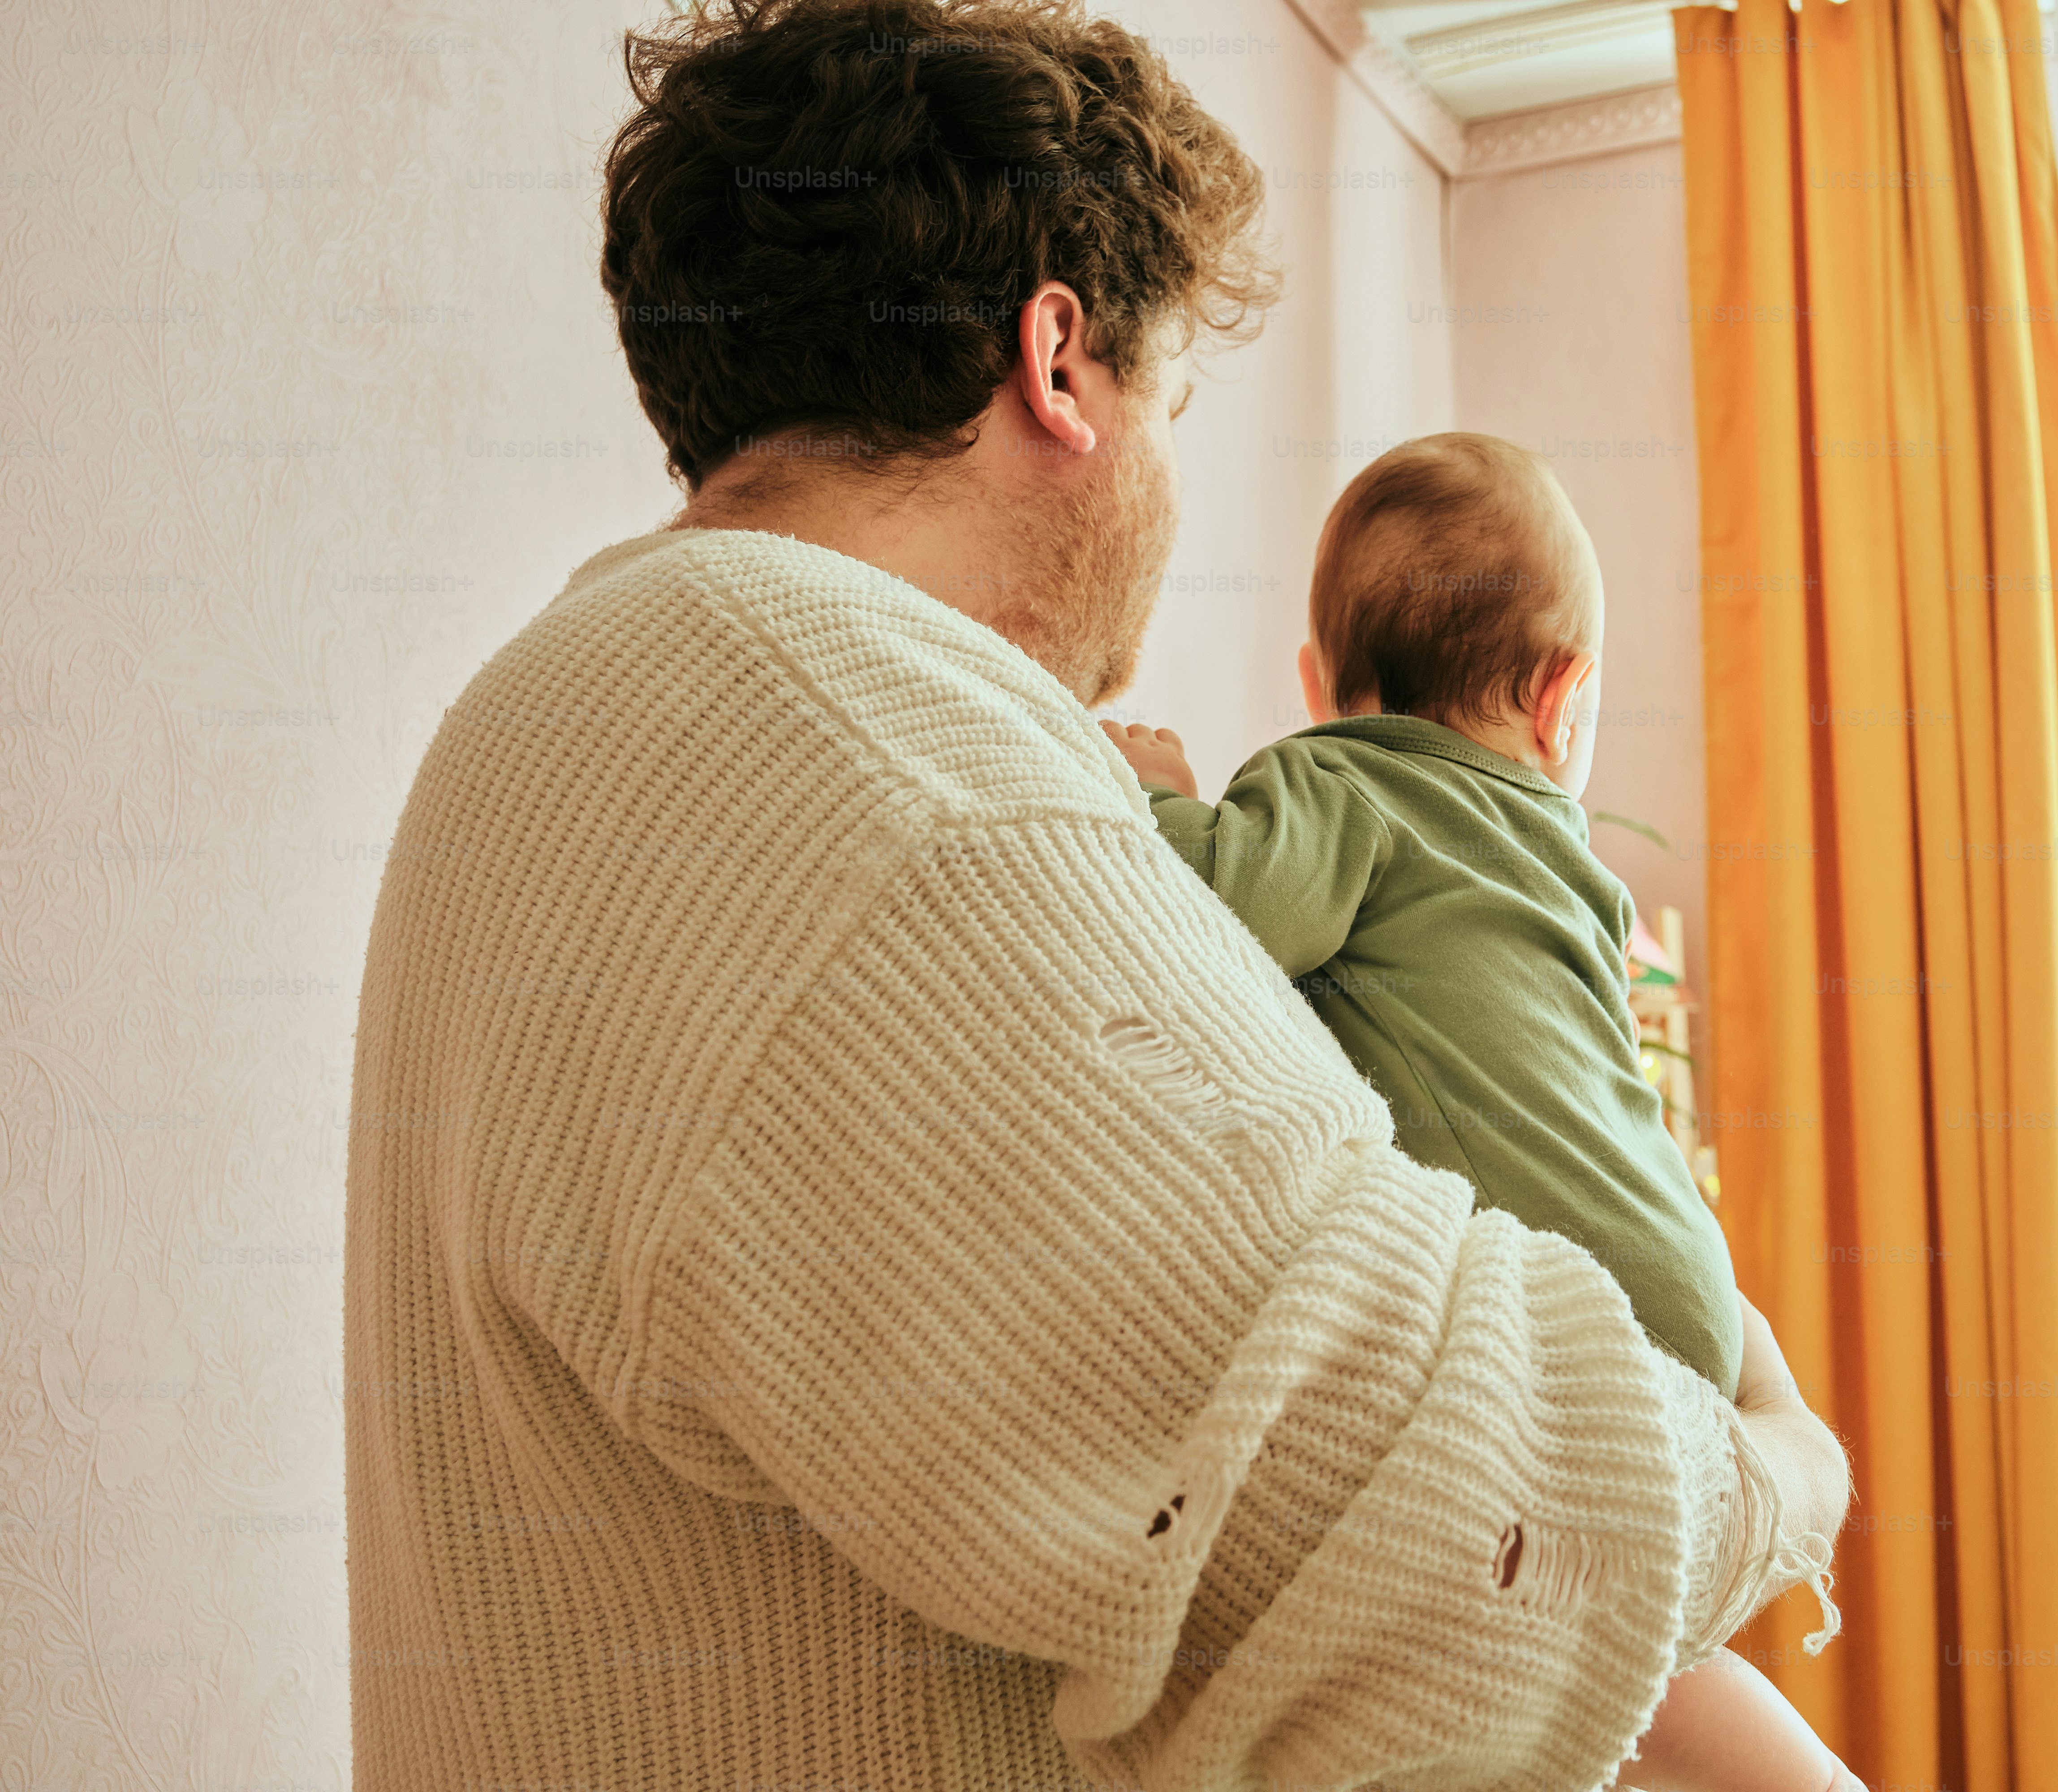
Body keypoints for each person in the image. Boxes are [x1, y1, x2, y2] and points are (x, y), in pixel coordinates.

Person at [343, 4, 1851, 1790]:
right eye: (1172, 403)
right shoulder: (870, 753)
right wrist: (1782, 1469)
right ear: (1060, 360)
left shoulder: (552, 722)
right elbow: (1470, 1518)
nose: (1171, 485)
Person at [1104, 433, 1861, 1792]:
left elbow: (1223, 911)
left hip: (1565, 1311)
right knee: (1648, 1674)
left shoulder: (1340, 781)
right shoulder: (1571, 863)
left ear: (1318, 685)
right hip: (1684, 1286)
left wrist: (1159, 797)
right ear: (1564, 704)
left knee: (1572, 1662)